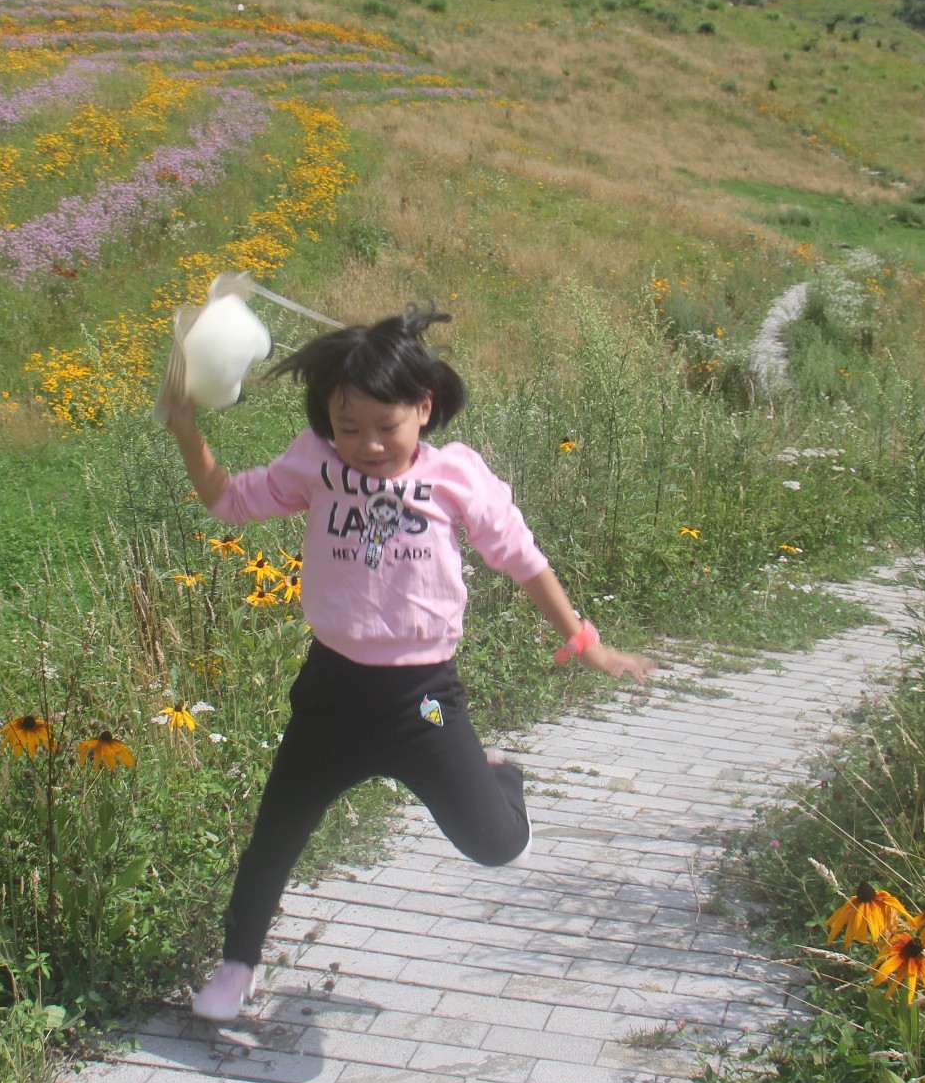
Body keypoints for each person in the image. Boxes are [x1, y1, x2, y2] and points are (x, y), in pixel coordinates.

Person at [160, 302, 656, 1023]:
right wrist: (186, 429)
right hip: (331, 694)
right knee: (276, 834)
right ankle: (237, 965)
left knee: (497, 844)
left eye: (384, 426)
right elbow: (229, 501)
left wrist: (588, 642)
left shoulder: (457, 477)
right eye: (347, 427)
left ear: (423, 408)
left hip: (422, 701)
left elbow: (523, 561)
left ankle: (500, 779)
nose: (365, 444)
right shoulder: (315, 464)